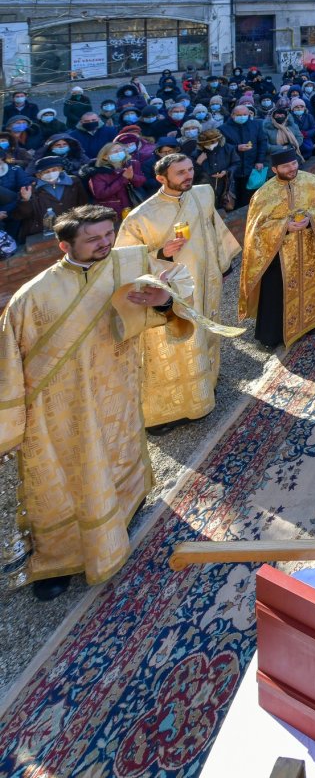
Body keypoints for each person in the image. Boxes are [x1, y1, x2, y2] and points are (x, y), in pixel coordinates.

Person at [0, 205, 188, 600]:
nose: (105, 244)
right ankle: (58, 559)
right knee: (62, 478)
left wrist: (163, 301)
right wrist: (11, 426)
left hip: (115, 388)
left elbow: (168, 308)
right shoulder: (30, 299)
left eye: (108, 235)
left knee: (118, 452)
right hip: (58, 408)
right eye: (94, 239)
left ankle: (125, 511)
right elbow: (9, 366)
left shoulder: (128, 265)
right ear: (63, 245)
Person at [115, 153, 241, 430]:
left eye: (189, 169)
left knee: (206, 333)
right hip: (172, 291)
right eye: (180, 173)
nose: (188, 176)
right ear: (161, 179)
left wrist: (223, 264)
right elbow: (124, 261)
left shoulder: (203, 194)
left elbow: (214, 227)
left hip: (206, 283)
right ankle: (168, 411)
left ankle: (206, 385)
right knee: (175, 344)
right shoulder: (140, 217)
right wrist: (161, 252)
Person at [239, 149, 315, 350]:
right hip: (278, 254)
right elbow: (256, 229)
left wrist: (311, 219)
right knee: (276, 291)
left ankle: (308, 323)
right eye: (286, 166)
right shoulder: (264, 193)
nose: (292, 168)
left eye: (294, 163)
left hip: (308, 248)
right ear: (274, 169)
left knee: (309, 282)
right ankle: (273, 335)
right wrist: (284, 226)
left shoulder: (312, 182)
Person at [13, 156, 89, 239]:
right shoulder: (31, 189)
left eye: (54, 170)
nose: (51, 173)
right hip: (43, 233)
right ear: (38, 175)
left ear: (60, 169)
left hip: (71, 227)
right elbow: (19, 216)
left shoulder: (73, 182)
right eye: (46, 172)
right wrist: (25, 200)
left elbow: (84, 204)